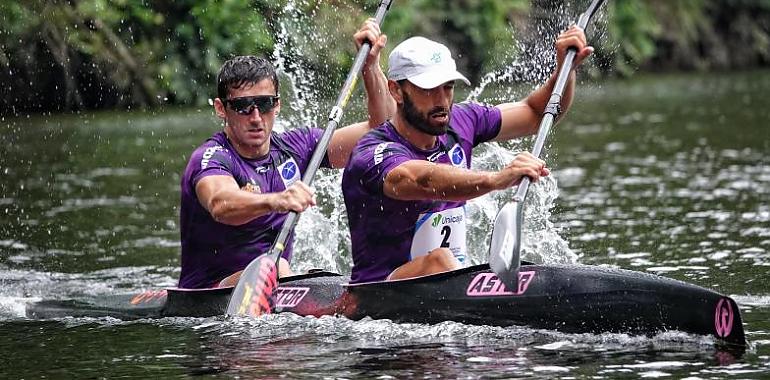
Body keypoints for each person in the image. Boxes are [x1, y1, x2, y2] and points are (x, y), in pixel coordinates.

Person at [342, 26, 592, 284]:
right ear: (396, 91)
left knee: (443, 260)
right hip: (380, 290)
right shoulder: (372, 150)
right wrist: (496, 180)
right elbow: (418, 180)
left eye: (448, 87)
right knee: (439, 259)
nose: (442, 101)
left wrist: (566, 70)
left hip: (446, 280)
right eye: (429, 90)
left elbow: (536, 113)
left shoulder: (462, 121)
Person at [178, 20, 394, 289]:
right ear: (222, 109)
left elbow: (382, 130)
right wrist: (277, 200)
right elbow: (221, 205)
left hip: (276, 283)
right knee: (275, 266)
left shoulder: (297, 147)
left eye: (265, 104)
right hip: (210, 294)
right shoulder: (212, 157)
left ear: (277, 105)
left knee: (287, 269)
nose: (256, 117)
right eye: (243, 106)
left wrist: (371, 67)